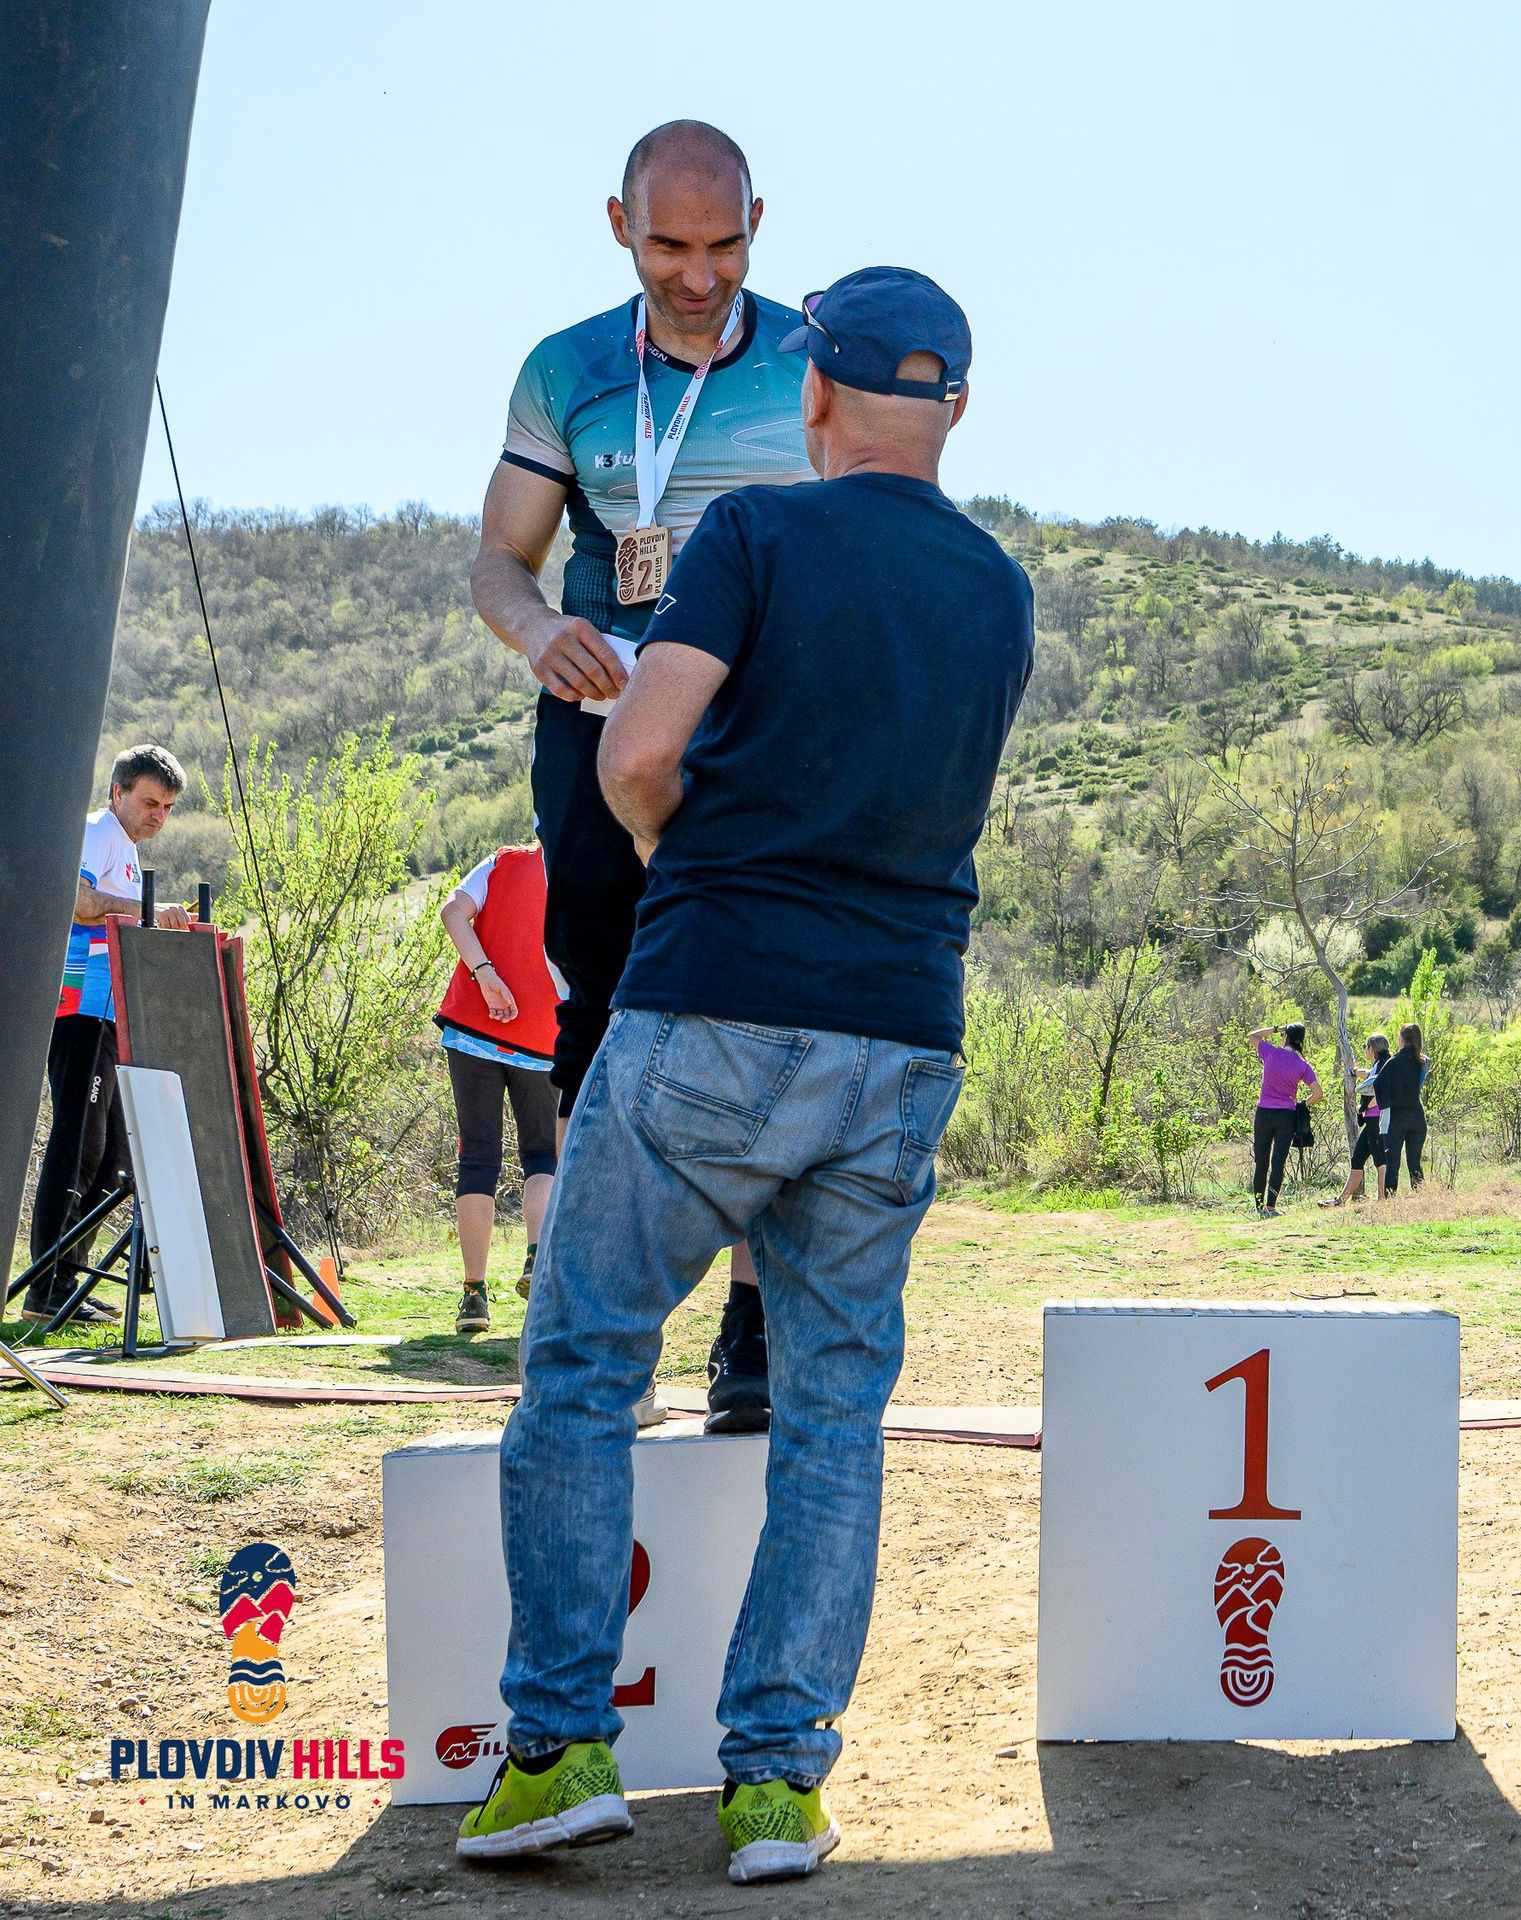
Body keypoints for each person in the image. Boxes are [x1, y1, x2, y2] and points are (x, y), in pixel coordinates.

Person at [460, 266, 1029, 1885]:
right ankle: (777, 1785)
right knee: (830, 1421)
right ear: (961, 409)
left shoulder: (755, 535)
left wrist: (669, 851)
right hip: (903, 1032)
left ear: (818, 400)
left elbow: (639, 751)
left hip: (712, 1004)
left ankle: (558, 1749)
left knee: (581, 1366)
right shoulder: (1002, 592)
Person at [468, 119, 811, 1429]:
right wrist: (535, 628)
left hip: (760, 716)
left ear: (757, 226)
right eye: (669, 244)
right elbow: (502, 557)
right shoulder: (565, 371)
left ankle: (757, 1331)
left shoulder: (807, 360)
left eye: (724, 244)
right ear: (620, 228)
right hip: (606, 708)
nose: (699, 274)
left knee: (771, 1006)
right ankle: (593, 1330)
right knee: (605, 1004)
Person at [25, 746, 192, 1323]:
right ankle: (45, 1288)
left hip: (115, 1015)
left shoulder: (125, 849)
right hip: (80, 1010)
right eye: (149, 802)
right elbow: (76, 902)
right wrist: (148, 908)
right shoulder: (98, 831)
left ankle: (68, 1283)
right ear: (118, 791)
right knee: (79, 1146)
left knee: (112, 1158)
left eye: (168, 808)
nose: (158, 816)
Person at [434, 846, 565, 1335]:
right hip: (542, 1034)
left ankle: (474, 1296)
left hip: (473, 1026)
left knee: (478, 1158)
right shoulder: (587, 871)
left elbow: (453, 913)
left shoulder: (504, 861)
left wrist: (485, 974)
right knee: (542, 1156)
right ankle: (536, 1262)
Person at [1246, 1024, 1319, 1217]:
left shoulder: (1270, 1053)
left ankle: (1259, 1206)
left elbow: (1252, 1035)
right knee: (1278, 1162)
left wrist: (1276, 1028)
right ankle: (1271, 1208)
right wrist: (1302, 1103)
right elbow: (1318, 1093)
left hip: (1263, 1113)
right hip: (1286, 1116)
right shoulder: (1303, 1064)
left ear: (1285, 1036)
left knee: (1261, 1162)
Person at [1320, 1032, 1393, 1208]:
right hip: (1371, 1120)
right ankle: (1341, 1201)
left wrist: (1364, 1107)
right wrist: (1353, 1070)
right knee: (1358, 1159)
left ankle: (1382, 1201)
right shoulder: (1379, 1065)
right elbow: (1369, 1075)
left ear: (1371, 1048)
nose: (1365, 1050)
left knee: (1380, 1161)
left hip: (1377, 1119)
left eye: (1366, 1047)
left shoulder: (1383, 1066)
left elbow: (1380, 1092)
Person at [1370, 1022, 1429, 1195]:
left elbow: (1378, 1083)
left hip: (1397, 1117)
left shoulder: (1393, 1062)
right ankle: (1420, 1197)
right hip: (1417, 1116)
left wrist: (1386, 1103)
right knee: (1415, 1163)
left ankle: (1390, 1200)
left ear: (1402, 1039)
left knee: (1392, 1162)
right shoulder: (1421, 1062)